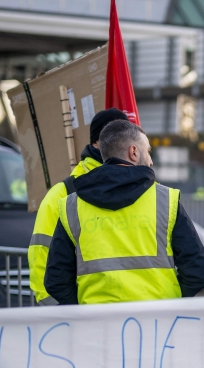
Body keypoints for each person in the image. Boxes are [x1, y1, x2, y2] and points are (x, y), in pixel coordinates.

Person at [44, 119, 204, 304]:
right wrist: (169, 301)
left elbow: (56, 280)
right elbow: (198, 271)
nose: (151, 160)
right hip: (158, 322)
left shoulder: (72, 205)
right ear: (133, 152)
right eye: (148, 151)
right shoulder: (166, 200)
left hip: (98, 324)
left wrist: (84, 309)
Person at [29, 108, 128, 304]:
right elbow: (41, 257)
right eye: (116, 137)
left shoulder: (140, 191)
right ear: (97, 143)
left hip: (132, 320)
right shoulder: (61, 195)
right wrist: (60, 313)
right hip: (81, 319)